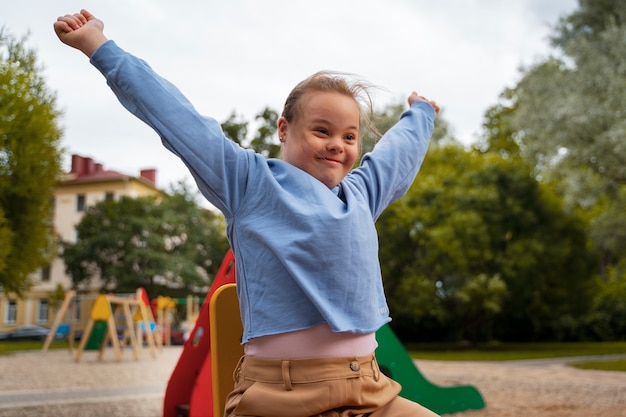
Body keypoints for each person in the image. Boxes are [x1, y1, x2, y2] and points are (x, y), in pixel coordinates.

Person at [54, 9, 440, 417]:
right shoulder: (248, 181)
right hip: (280, 395)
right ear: (283, 129)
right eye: (322, 131)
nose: (337, 145)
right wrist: (99, 47)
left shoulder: (360, 194)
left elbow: (396, 158)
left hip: (368, 390)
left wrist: (421, 113)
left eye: (349, 136)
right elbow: (175, 117)